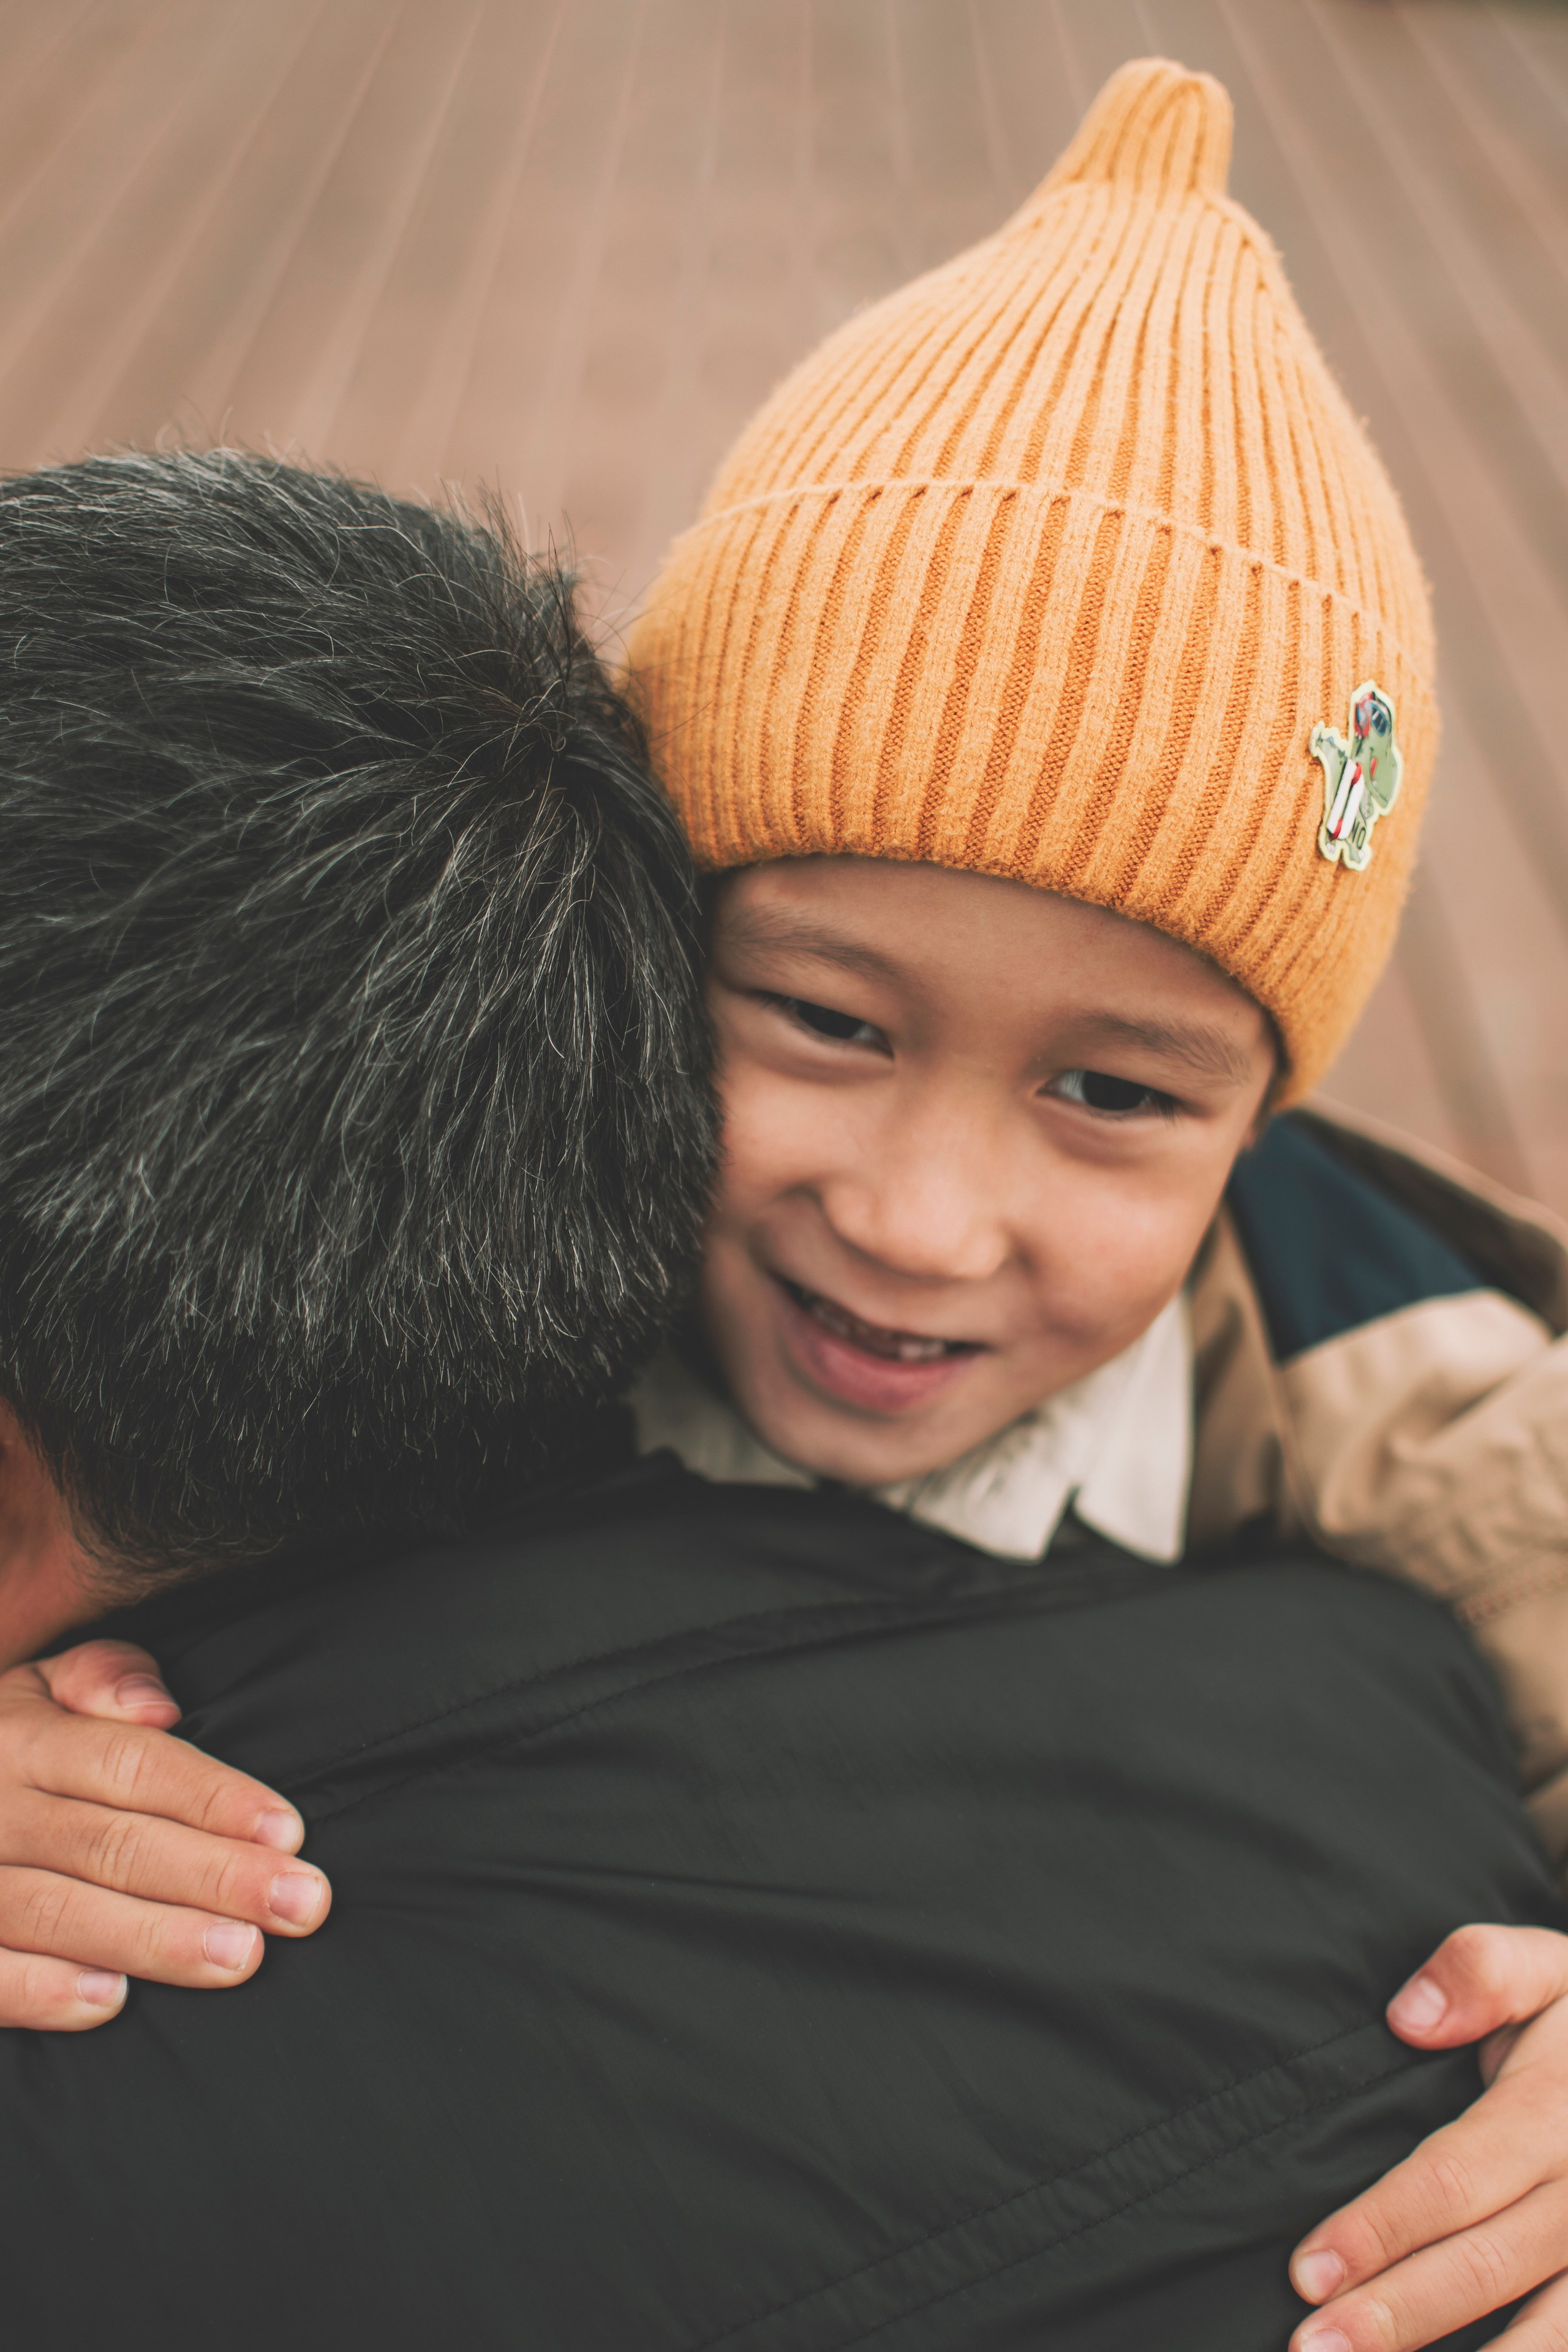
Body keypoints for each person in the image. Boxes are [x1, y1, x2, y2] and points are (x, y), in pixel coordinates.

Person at [7, 56, 1568, 2350]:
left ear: (1260, 1121)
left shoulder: (1381, 1355)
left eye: (1118, 1092)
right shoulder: (472, 1211)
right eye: (827, 1022)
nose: (928, 1217)